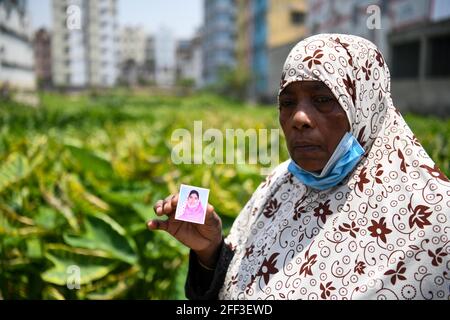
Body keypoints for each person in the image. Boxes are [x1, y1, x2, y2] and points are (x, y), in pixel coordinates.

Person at [147, 34, 450, 300]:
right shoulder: (281, 182)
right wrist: (210, 252)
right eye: (288, 103)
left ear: (366, 105)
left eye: (322, 99)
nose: (298, 119)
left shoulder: (433, 218)